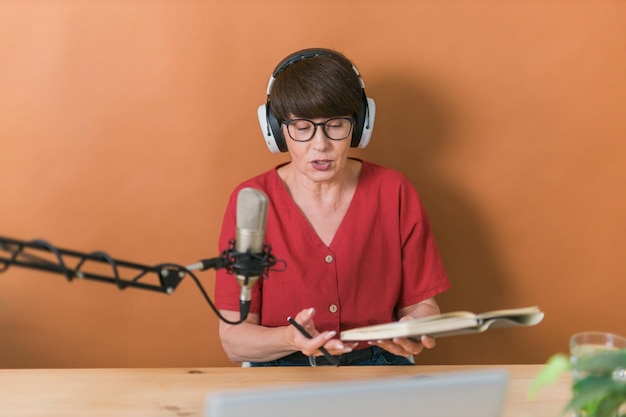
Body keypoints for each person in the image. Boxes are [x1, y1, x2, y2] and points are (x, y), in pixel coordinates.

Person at [214, 48, 451, 366]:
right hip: (280, 370)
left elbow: (423, 307)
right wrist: (289, 338)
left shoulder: (394, 191)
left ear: (360, 125)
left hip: (380, 366)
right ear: (276, 131)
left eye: (336, 125)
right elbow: (234, 342)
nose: (320, 144)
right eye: (302, 127)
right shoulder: (252, 200)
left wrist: (416, 329)